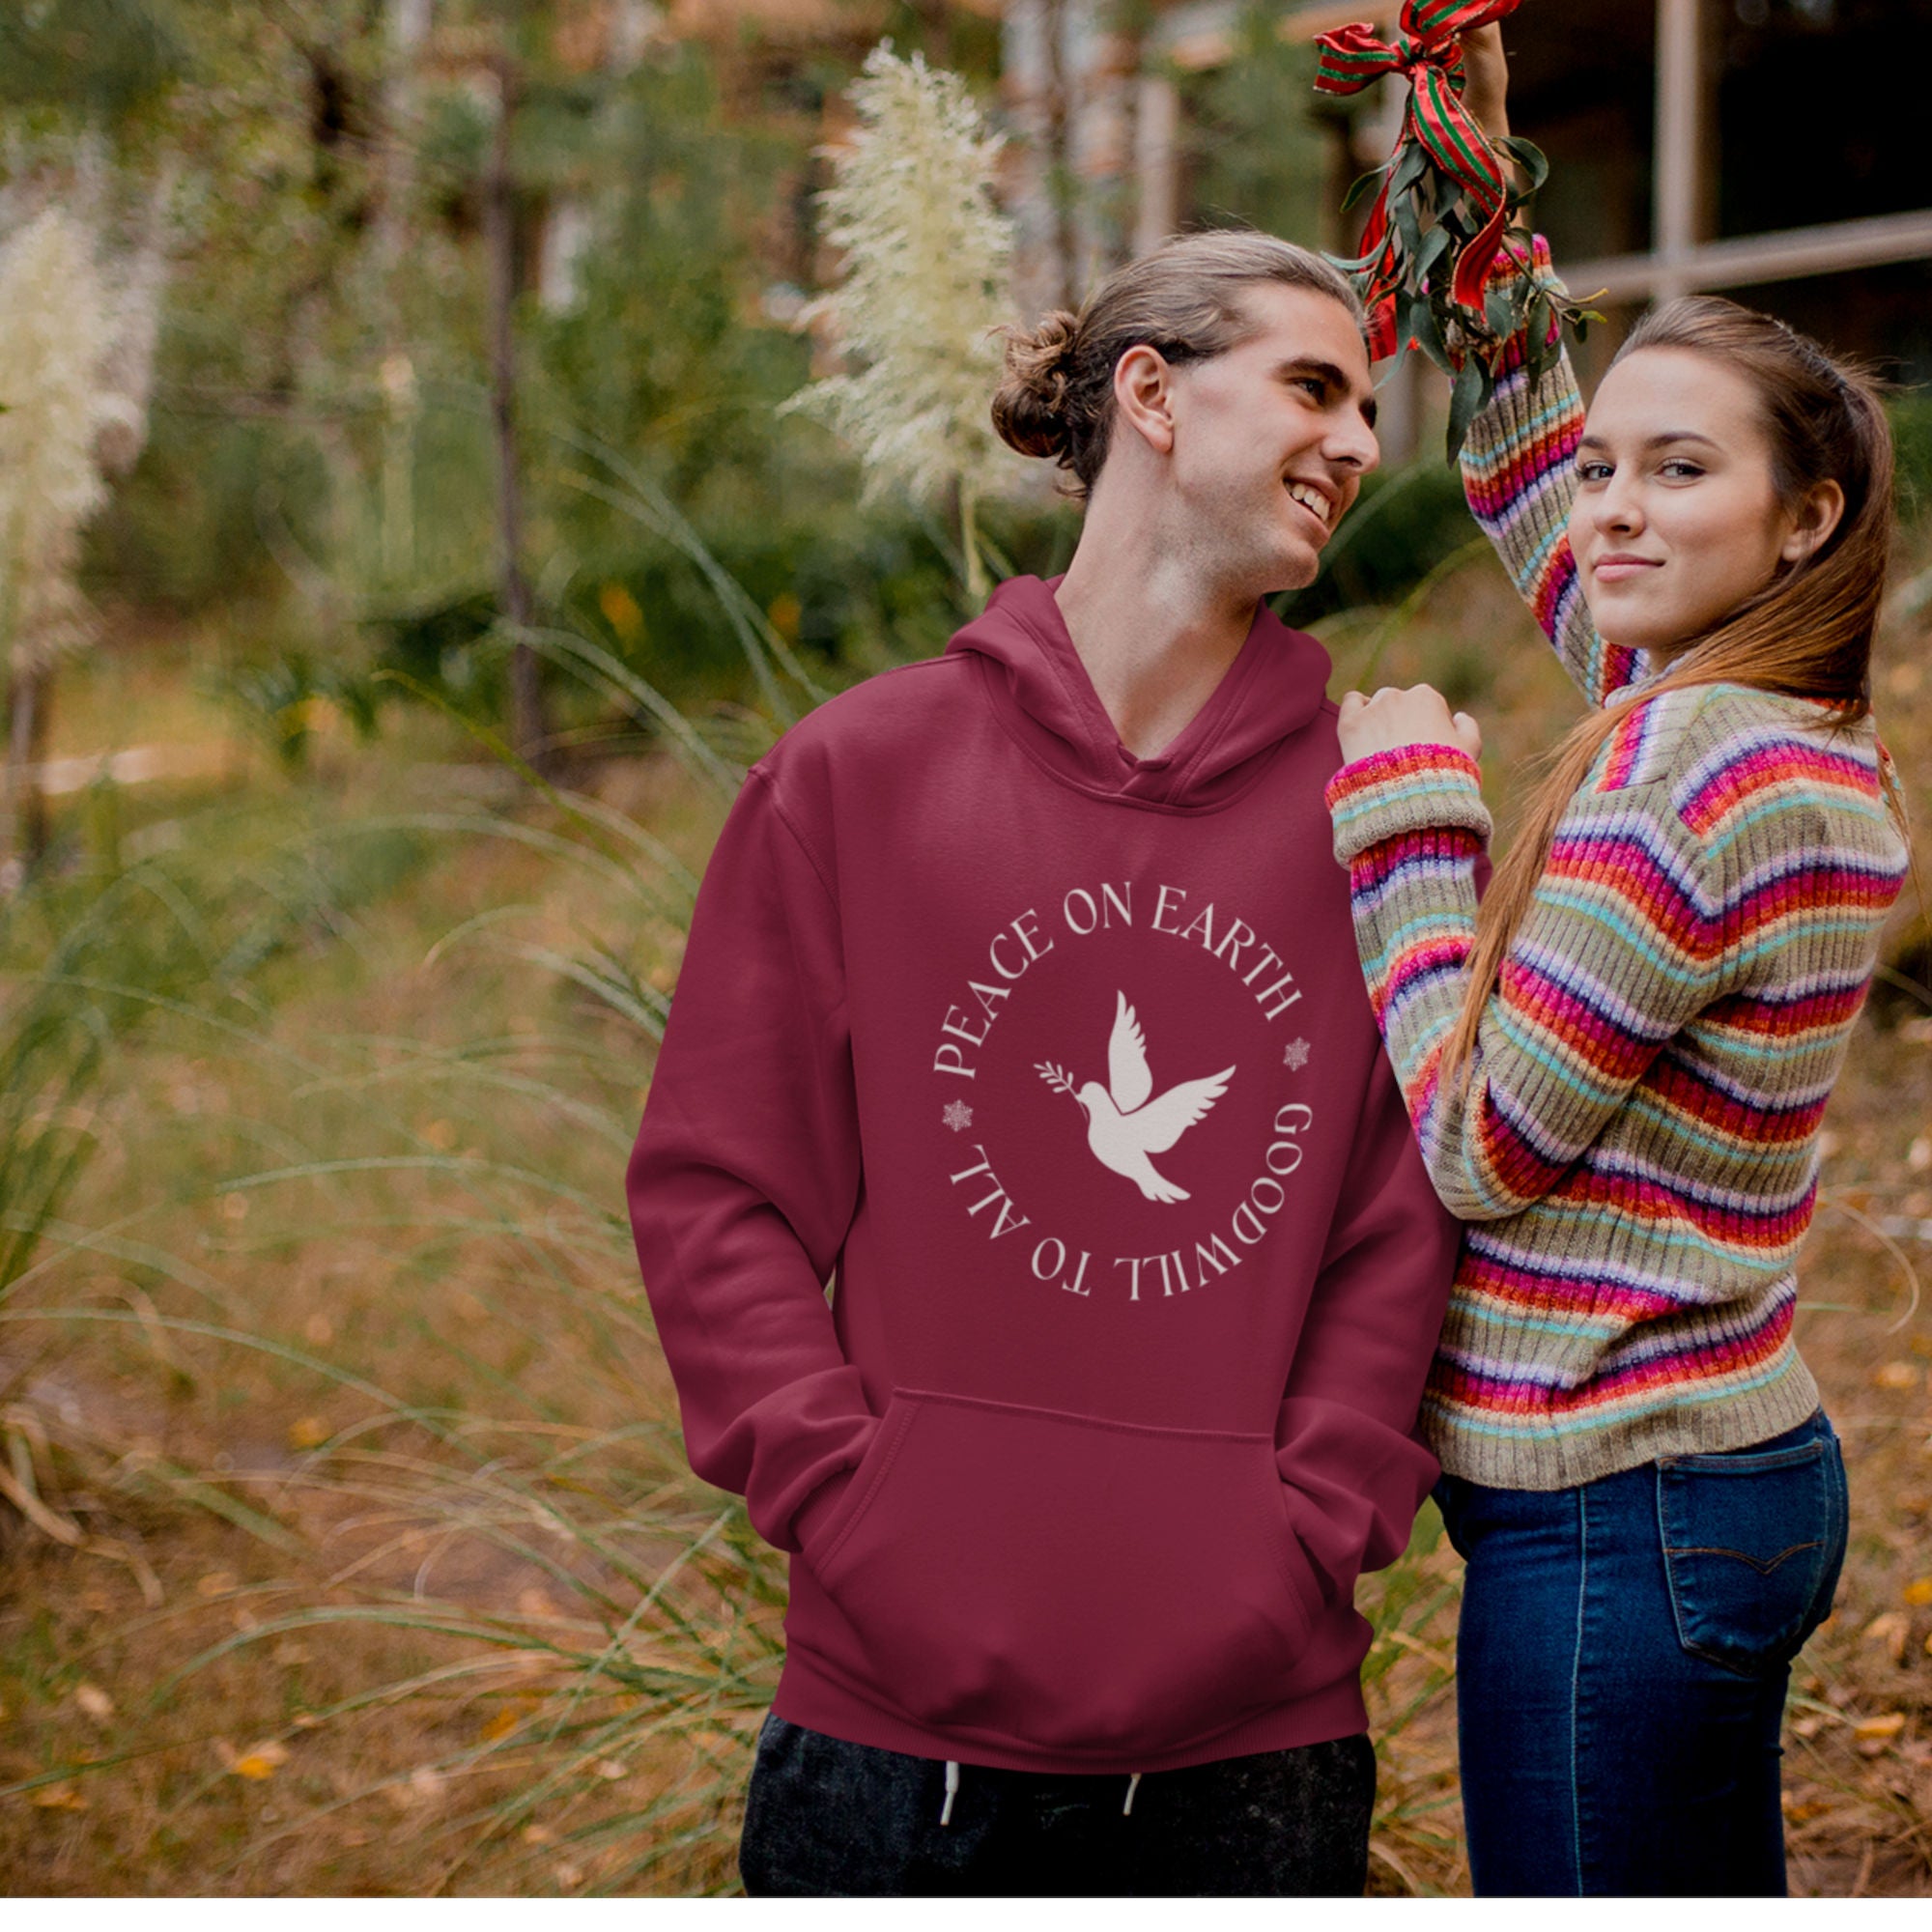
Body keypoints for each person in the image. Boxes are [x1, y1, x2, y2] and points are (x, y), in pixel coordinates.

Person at [626, 231, 1463, 1896]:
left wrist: (1306, 1528)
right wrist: (849, 1503)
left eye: (1370, 406)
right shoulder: (857, 774)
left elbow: (1403, 1210)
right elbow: (719, 1190)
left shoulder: (1378, 810)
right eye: (1313, 384)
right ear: (1150, 394)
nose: (1362, 444)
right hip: (887, 1739)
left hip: (1259, 1748)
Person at [1321, 28, 1909, 1897]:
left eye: (1678, 470)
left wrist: (1412, 837)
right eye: (1608, 471)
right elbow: (1543, 515)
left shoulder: (1695, 773)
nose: (1615, 510)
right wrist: (1487, 238)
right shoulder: (1777, 723)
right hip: (1714, 1472)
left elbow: (1482, 1144)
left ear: (1804, 518)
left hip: (1619, 1512)